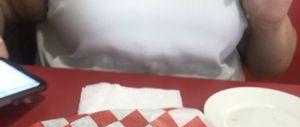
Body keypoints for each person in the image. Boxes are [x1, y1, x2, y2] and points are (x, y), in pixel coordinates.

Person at [0, 0, 297, 80]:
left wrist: (270, 23)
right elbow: (9, 7)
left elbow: (268, 67)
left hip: (212, 124)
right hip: (71, 120)